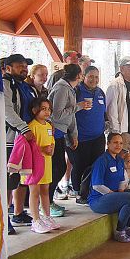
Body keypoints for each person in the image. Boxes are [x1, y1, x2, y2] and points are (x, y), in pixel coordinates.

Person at [89, 133, 130, 242]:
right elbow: (97, 186)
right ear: (108, 144)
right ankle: (120, 231)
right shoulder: (102, 161)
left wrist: (121, 191)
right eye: (115, 142)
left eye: (121, 143)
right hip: (99, 200)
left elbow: (122, 179)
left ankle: (128, 226)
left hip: (114, 194)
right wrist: (114, 194)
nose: (118, 145)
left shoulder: (119, 160)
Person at [4, 54, 37, 232]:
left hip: (25, 140)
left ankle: (18, 213)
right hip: (10, 140)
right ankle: (4, 220)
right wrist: (24, 129)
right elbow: (7, 111)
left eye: (25, 66)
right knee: (8, 180)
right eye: (20, 66)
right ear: (8, 68)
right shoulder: (4, 84)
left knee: (20, 178)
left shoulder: (26, 86)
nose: (24, 69)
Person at [17, 98, 57, 233]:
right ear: (35, 110)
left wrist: (51, 149)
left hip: (46, 163)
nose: (47, 112)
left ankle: (47, 217)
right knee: (34, 192)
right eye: (43, 109)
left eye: (49, 109)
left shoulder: (49, 126)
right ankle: (35, 220)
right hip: (34, 165)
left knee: (45, 190)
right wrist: (42, 150)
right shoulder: (31, 127)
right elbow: (26, 148)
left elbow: (52, 142)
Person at [48, 63, 82, 215]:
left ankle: (48, 201)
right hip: (53, 132)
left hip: (61, 132)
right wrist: (78, 106)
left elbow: (70, 115)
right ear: (78, 75)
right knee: (57, 168)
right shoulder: (62, 88)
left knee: (59, 167)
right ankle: (47, 202)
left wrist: (72, 135)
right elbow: (57, 114)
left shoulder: (69, 88)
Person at [73, 65, 106, 204]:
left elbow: (104, 112)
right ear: (83, 77)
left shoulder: (100, 92)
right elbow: (68, 111)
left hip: (98, 137)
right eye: (91, 76)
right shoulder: (76, 90)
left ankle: (90, 192)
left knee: (96, 166)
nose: (94, 79)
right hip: (81, 138)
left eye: (96, 77)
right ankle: (78, 193)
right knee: (80, 166)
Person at [106, 56, 130, 156]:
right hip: (122, 129)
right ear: (122, 68)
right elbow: (111, 109)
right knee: (121, 155)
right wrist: (116, 130)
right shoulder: (115, 85)